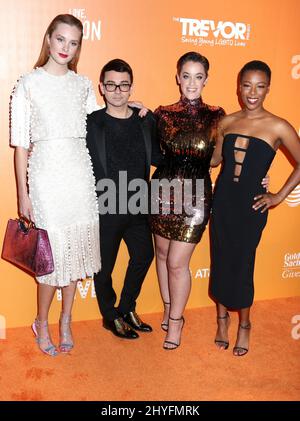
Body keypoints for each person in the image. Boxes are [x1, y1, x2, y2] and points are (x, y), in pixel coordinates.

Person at [10, 14, 101, 356]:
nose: (66, 48)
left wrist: (131, 107)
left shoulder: (83, 85)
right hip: (46, 177)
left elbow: (100, 126)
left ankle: (66, 320)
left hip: (80, 175)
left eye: (73, 42)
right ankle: (41, 322)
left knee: (74, 254)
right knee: (50, 259)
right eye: (61, 39)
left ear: (78, 47)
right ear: (49, 39)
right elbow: (20, 144)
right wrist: (24, 193)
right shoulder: (28, 84)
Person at [210, 60, 300, 356]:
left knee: (243, 262)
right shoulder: (226, 122)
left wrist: (278, 196)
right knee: (221, 258)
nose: (252, 92)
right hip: (222, 201)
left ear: (268, 89)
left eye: (260, 86)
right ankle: (222, 321)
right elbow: (214, 161)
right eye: (247, 85)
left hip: (251, 207)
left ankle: (245, 325)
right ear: (239, 86)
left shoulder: (278, 126)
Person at [149, 52, 225, 350]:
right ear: (177, 77)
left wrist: (257, 177)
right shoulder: (162, 113)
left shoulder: (218, 115)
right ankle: (168, 307)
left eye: (198, 76)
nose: (191, 82)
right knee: (163, 255)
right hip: (162, 192)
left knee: (178, 263)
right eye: (186, 75)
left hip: (196, 197)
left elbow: (222, 158)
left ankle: (177, 321)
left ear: (206, 79)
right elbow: (148, 149)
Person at [86, 59, 163, 339]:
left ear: (131, 87)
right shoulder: (92, 123)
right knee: (103, 267)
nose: (117, 91)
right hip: (105, 204)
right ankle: (110, 315)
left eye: (123, 85)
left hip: (138, 203)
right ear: (102, 88)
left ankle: (127, 307)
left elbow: (158, 157)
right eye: (111, 85)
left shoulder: (145, 120)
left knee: (144, 256)